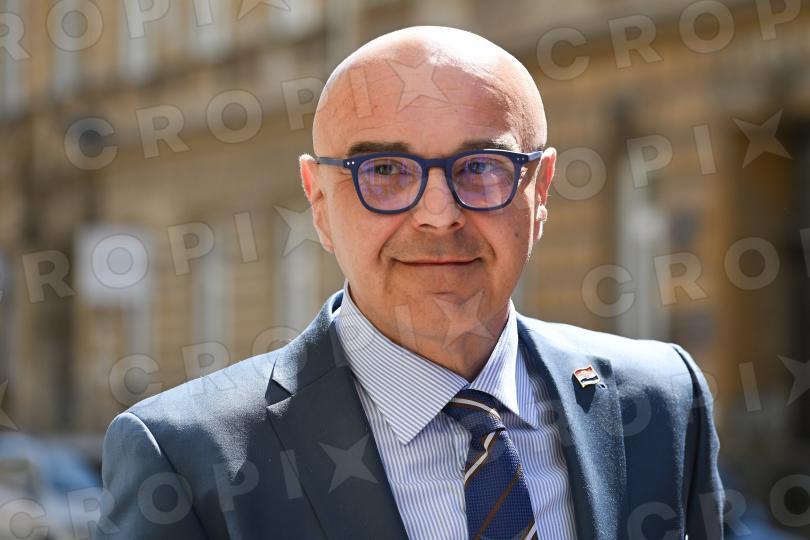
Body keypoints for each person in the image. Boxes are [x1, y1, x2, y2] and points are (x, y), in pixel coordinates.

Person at [94, 26, 724, 540]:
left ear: (540, 191)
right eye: (386, 170)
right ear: (319, 201)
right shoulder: (186, 457)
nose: (439, 214)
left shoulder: (661, 403)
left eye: (481, 166)